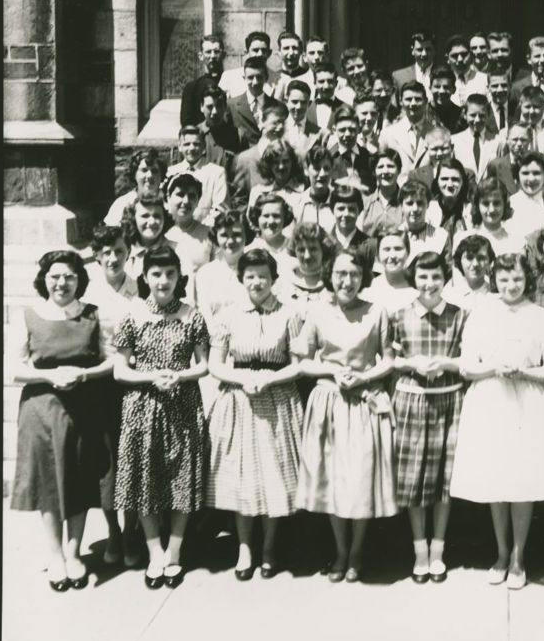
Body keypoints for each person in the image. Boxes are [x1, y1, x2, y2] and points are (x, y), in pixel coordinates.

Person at [450, 252, 544, 590]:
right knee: (496, 480)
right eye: (503, 279)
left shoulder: (540, 316)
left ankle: (519, 556)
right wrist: (494, 368)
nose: (510, 285)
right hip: (490, 403)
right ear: (493, 280)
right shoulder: (481, 314)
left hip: (527, 404)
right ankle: (500, 553)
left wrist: (525, 371)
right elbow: (467, 366)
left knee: (523, 480)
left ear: (527, 279)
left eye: (516, 279)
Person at [8, 250, 115, 591]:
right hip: (41, 410)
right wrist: (51, 377)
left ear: (79, 280)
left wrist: (83, 374)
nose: (62, 282)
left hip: (84, 409)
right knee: (49, 483)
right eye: (55, 275)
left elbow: (110, 361)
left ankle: (74, 553)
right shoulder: (29, 316)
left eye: (69, 276)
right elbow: (14, 369)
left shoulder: (92, 315)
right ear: (44, 279)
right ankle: (55, 555)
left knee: (81, 479)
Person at [294, 248, 397, 582]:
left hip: (365, 402)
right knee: (334, 481)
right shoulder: (318, 313)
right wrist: (332, 372)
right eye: (340, 273)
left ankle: (357, 553)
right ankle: (340, 551)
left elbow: (389, 360)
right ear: (330, 275)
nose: (347, 281)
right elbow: (303, 361)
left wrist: (365, 377)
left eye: (353, 274)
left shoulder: (376, 312)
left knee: (360, 480)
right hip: (329, 403)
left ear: (363, 277)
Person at [111, 246, 210, 589]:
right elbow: (120, 371)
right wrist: (152, 377)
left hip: (182, 406)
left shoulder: (191, 315)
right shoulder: (133, 315)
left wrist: (179, 376)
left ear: (178, 277)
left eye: (169, 274)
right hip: (142, 408)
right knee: (145, 480)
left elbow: (204, 365)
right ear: (145, 277)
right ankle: (154, 552)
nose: (163, 280)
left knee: (182, 478)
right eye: (156, 274)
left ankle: (174, 554)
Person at [207, 249, 305, 580]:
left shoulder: (289, 315)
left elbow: (297, 364)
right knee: (242, 477)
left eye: (263, 275)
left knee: (275, 476)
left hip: (277, 397)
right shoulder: (228, 314)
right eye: (250, 275)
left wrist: (269, 378)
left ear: (274, 279)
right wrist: (244, 378)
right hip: (239, 399)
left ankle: (269, 547)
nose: (257, 281)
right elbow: (215, 364)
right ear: (241, 279)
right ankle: (245, 547)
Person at [388, 252, 468, 583]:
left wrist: (446, 365)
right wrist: (413, 364)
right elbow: (391, 359)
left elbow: (468, 358)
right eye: (422, 277)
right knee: (414, 478)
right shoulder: (399, 315)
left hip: (450, 402)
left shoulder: (460, 315)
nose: (429, 283)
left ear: (445, 278)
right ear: (413, 279)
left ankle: (439, 549)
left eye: (435, 276)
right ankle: (419, 550)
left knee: (444, 479)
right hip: (412, 401)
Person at [81, 226, 140, 567]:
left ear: (127, 251)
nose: (113, 257)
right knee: (107, 465)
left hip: (133, 382)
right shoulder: (88, 290)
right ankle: (113, 533)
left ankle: (131, 532)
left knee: (131, 461)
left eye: (119, 250)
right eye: (107, 251)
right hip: (101, 385)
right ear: (97, 254)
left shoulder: (140, 287)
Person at [192, 209, 251, 329]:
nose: (230, 241)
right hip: (215, 341)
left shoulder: (256, 270)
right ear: (216, 237)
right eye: (224, 235)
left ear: (246, 235)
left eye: (237, 235)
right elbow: (204, 315)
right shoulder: (205, 274)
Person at [231, 102, 291, 208]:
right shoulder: (246, 159)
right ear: (262, 122)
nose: (280, 127)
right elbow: (239, 200)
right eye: (275, 123)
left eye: (283, 123)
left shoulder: (290, 156)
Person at [167, 125, 228, 226]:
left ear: (204, 147)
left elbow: (220, 210)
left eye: (196, 144)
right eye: (186, 144)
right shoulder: (171, 172)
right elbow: (167, 206)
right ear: (180, 147)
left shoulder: (216, 173)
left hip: (205, 233)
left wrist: (198, 229)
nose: (191, 148)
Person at [379, 82, 444, 173]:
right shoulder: (388, 134)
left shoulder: (437, 134)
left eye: (418, 99)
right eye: (408, 99)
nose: (413, 103)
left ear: (425, 101)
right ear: (401, 102)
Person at [163, 173, 214, 283]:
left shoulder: (209, 235)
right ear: (168, 198)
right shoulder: (161, 234)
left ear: (197, 201)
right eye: (180, 194)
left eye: (191, 196)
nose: (186, 201)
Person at [455, 176, 524, 256]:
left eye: (496, 203)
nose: (491, 210)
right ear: (477, 205)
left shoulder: (516, 243)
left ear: (504, 205)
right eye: (485, 203)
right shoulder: (464, 239)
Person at [362, 226, 419, 315]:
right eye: (386, 249)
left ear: (408, 252)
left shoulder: (419, 286)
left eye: (398, 249)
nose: (392, 255)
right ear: (378, 254)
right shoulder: (369, 289)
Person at [227, 57, 282, 147]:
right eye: (250, 77)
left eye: (259, 77)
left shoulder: (278, 106)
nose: (255, 82)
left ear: (266, 78)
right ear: (244, 78)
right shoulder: (231, 105)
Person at [104, 149, 166, 226]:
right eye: (144, 170)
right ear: (134, 174)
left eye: (154, 171)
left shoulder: (169, 203)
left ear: (161, 175)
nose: (150, 175)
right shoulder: (122, 204)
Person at [452, 93, 506, 182]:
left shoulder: (499, 141)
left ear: (488, 115)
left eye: (482, 115)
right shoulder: (454, 141)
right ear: (465, 115)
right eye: (473, 115)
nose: (477, 120)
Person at [278, 221, 335, 306]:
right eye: (301, 250)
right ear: (294, 250)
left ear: (323, 249)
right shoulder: (284, 280)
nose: (307, 256)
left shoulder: (333, 281)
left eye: (313, 249)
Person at [398, 179, 451, 263]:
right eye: (409, 203)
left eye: (420, 203)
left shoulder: (441, 236)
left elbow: (448, 271)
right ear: (401, 206)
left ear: (428, 205)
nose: (415, 209)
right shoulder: (393, 236)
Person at [180, 34, 226, 126]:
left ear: (223, 55)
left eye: (216, 52)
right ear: (201, 56)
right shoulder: (192, 88)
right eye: (208, 52)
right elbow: (187, 123)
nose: (212, 56)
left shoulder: (231, 82)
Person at [121, 196, 172, 280]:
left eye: (157, 216)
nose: (152, 222)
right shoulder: (124, 252)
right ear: (133, 219)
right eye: (145, 216)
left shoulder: (177, 250)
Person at [443, 233, 495, 312]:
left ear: (489, 261)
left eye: (481, 258)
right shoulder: (448, 296)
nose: (475, 264)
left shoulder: (495, 293)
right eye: (469, 257)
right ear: (459, 261)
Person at [357, 149, 404, 237]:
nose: (385, 171)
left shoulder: (407, 202)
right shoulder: (365, 203)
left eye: (390, 166)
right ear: (374, 172)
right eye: (380, 167)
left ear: (399, 170)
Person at [247, 193, 297, 273]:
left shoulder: (295, 248)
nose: (271, 221)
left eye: (276, 216)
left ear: (285, 217)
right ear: (257, 218)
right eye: (266, 216)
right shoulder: (249, 251)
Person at [507, 151, 544, 242]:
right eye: (525, 173)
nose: (531, 179)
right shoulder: (509, 204)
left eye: (536, 173)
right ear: (517, 175)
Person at [426, 156, 472, 241]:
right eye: (444, 179)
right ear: (437, 181)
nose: (450, 184)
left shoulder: (471, 210)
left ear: (463, 182)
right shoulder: (428, 210)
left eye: (455, 180)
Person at [293, 143, 337, 232]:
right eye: (316, 168)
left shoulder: (339, 202)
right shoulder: (296, 203)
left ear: (332, 170)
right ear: (306, 170)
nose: (322, 174)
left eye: (326, 168)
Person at [219, 30, 275, 99]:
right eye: (255, 50)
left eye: (264, 51)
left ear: (269, 53)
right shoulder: (229, 77)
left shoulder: (276, 79)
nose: (260, 54)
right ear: (246, 52)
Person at [281, 80, 322, 163]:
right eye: (294, 102)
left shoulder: (318, 132)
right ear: (286, 101)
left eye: (303, 102)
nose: (299, 107)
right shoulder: (277, 129)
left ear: (309, 104)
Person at [444, 34, 488, 107]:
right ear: (447, 58)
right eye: (455, 56)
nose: (460, 59)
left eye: (464, 54)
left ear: (470, 55)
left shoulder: (484, 79)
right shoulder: (443, 83)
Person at [428, 66, 465, 133]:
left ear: (454, 90)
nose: (442, 91)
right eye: (437, 87)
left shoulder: (460, 115)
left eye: (446, 87)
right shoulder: (422, 112)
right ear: (430, 88)